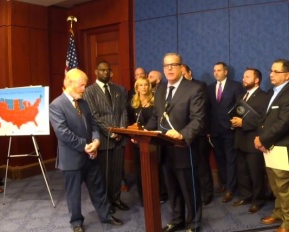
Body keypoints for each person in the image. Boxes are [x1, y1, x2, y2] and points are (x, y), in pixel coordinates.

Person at [49, 68, 122, 232]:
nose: (84, 89)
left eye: (85, 85)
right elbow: (63, 133)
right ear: (69, 83)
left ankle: (106, 215)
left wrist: (96, 141)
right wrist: (85, 146)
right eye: (81, 85)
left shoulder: (84, 102)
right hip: (72, 158)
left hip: (91, 154)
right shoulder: (56, 105)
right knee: (73, 193)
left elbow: (94, 125)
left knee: (98, 188)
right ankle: (76, 222)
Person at [145, 53, 205, 232]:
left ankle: (193, 223)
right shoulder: (161, 89)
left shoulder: (194, 89)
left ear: (181, 67)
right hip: (164, 149)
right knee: (172, 189)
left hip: (183, 148)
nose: (169, 68)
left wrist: (182, 134)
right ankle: (177, 218)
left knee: (189, 189)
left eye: (173, 65)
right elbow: (156, 116)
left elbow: (198, 120)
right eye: (166, 66)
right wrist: (144, 132)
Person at [254, 59, 289, 232]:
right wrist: (259, 138)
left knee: (285, 187)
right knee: (275, 184)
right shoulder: (271, 92)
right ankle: (278, 212)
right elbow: (264, 118)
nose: (271, 74)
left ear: (287, 75)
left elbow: (285, 123)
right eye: (271, 70)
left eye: (276, 71)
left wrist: (263, 140)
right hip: (269, 146)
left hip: (284, 147)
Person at [83, 61, 130, 214]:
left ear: (111, 72)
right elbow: (94, 116)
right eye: (102, 70)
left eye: (107, 70)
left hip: (119, 139)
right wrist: (111, 132)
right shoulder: (89, 91)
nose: (105, 73)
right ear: (96, 72)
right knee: (104, 174)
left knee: (117, 172)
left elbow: (123, 111)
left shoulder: (118, 89)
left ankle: (116, 199)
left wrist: (121, 131)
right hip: (103, 140)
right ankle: (106, 203)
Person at [230, 67, 268, 214]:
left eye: (247, 77)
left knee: (255, 173)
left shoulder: (264, 97)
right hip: (239, 140)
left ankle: (258, 200)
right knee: (242, 172)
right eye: (243, 76)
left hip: (253, 142)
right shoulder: (241, 97)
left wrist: (243, 123)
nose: (243, 79)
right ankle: (246, 196)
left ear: (256, 80)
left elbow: (262, 120)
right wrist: (233, 121)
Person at [207, 61, 244, 203]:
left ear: (226, 72)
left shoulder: (235, 86)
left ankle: (231, 188)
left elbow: (240, 107)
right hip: (215, 130)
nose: (216, 73)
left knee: (230, 159)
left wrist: (236, 122)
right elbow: (209, 110)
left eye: (219, 70)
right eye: (214, 70)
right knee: (220, 159)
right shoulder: (210, 88)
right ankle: (223, 183)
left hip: (230, 129)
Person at [129, 77, 168, 205]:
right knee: (140, 170)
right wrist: (133, 136)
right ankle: (143, 197)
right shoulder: (133, 104)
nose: (144, 87)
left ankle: (160, 194)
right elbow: (129, 123)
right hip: (138, 142)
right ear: (137, 88)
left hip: (153, 141)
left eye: (146, 85)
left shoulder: (155, 101)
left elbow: (158, 120)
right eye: (141, 85)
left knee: (156, 168)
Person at [182, 64, 214, 206]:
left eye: (183, 73)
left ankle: (207, 194)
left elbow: (203, 109)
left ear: (190, 73)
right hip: (182, 134)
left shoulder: (199, 86)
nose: (181, 76)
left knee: (202, 164)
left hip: (199, 133)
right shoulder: (177, 88)